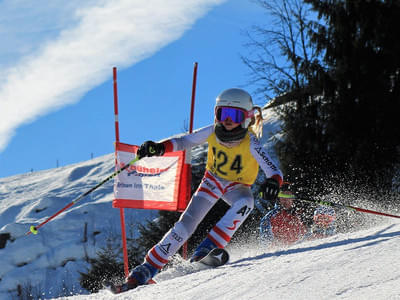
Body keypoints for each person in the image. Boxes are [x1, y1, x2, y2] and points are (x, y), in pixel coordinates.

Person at [113, 88, 283, 293]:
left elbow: (273, 170)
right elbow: (185, 141)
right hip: (212, 181)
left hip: (237, 186)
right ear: (216, 114)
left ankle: (207, 248)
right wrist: (160, 147)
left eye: (235, 115)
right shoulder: (212, 131)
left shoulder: (251, 142)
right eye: (223, 114)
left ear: (246, 118)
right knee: (185, 225)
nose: (228, 120)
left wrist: (273, 183)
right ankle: (148, 268)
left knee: (246, 203)